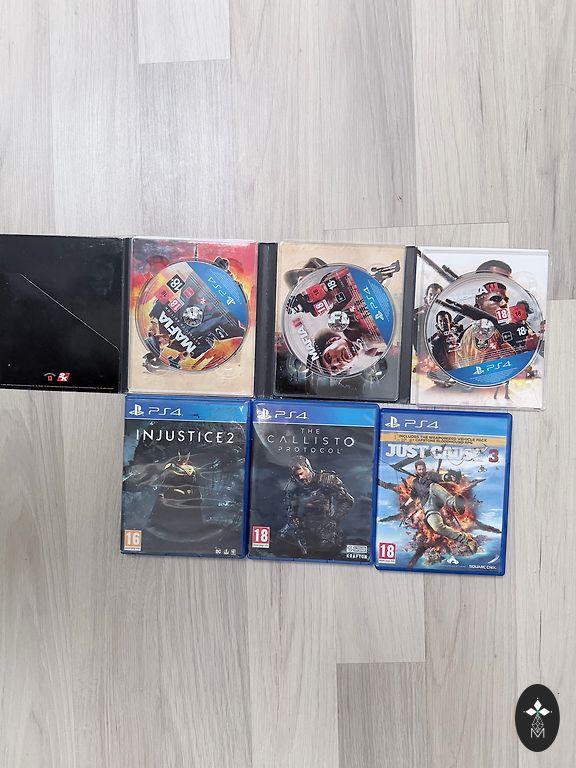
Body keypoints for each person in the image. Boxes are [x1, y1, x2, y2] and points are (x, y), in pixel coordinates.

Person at [279, 457, 354, 555]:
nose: (300, 478)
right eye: (297, 476)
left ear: (308, 468)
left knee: (325, 547)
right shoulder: (293, 486)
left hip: (324, 522)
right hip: (303, 523)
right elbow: (290, 507)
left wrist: (334, 519)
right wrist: (293, 519)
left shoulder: (327, 480)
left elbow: (347, 501)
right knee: (282, 539)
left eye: (301, 473)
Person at [402, 460, 477, 552]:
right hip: (428, 505)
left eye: (423, 469)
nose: (421, 471)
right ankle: (467, 540)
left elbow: (441, 477)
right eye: (419, 469)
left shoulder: (430, 475)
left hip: (435, 495)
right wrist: (405, 505)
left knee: (433, 486)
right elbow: (413, 496)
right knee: (437, 527)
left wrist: (450, 477)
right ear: (416, 470)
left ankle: (454, 503)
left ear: (425, 468)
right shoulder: (415, 483)